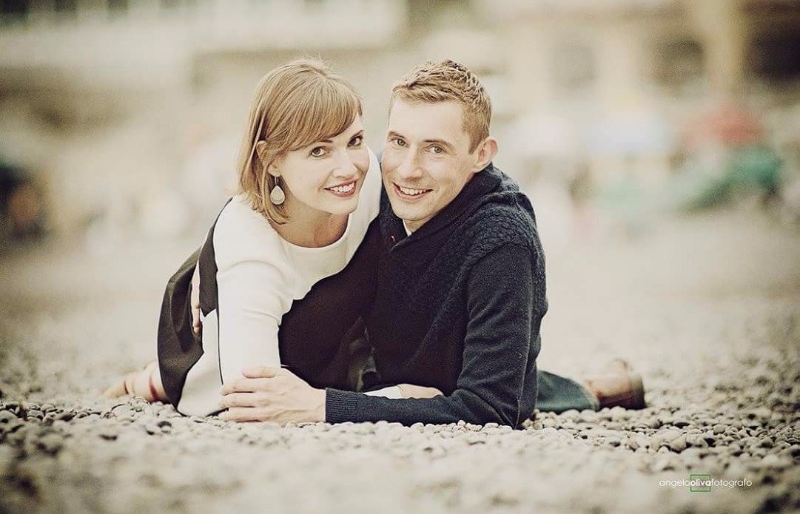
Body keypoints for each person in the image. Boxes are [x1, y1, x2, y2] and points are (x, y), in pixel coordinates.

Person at [210, 60, 646, 427]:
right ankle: (595, 385)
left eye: (435, 149)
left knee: (508, 383)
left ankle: (596, 389)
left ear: (482, 154)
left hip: (433, 376)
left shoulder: (502, 242)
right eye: (398, 142)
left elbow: (492, 406)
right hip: (373, 363)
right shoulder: (368, 181)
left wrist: (321, 408)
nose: (407, 170)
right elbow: (273, 232)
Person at [104, 59, 439, 415]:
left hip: (331, 329)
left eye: (354, 140)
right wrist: (403, 398)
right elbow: (255, 403)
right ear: (272, 159)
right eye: (319, 150)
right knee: (195, 377)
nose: (348, 167)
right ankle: (152, 380)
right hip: (214, 343)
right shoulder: (250, 249)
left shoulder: (369, 174)